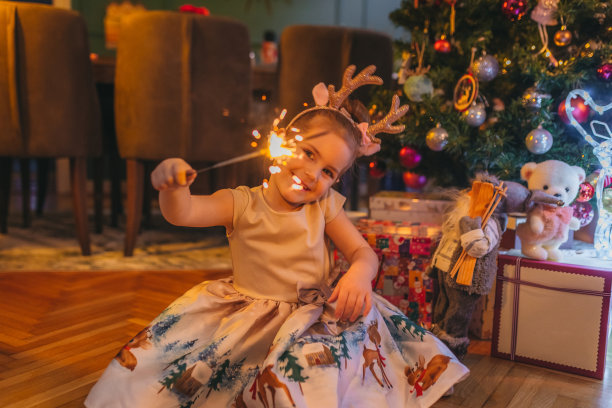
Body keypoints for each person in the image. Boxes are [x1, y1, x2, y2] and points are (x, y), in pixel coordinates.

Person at [85, 65, 469, 408]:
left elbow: (362, 252)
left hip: (314, 317)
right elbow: (183, 213)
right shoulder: (241, 204)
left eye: (329, 172)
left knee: (332, 367)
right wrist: (171, 186)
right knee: (179, 373)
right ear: (282, 141)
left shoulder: (325, 206)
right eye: (307, 152)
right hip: (250, 322)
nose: (313, 174)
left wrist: (358, 275)